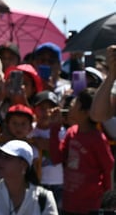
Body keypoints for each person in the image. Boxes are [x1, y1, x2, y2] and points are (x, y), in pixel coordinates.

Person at [49, 87, 114, 215]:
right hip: (69, 204)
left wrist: (105, 199)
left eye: (76, 102)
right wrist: (54, 128)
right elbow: (57, 158)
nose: (71, 104)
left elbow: (108, 167)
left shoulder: (98, 139)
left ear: (86, 112)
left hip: (90, 206)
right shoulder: (71, 132)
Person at [0, 140, 57, 215]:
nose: (1, 160)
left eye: (7, 157)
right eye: (0, 155)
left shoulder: (45, 198)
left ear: (23, 165)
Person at [29, 90, 64, 209]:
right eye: (42, 108)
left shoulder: (62, 131)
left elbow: (64, 151)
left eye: (51, 108)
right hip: (37, 182)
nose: (46, 112)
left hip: (58, 182)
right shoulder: (29, 130)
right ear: (34, 109)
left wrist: (47, 145)